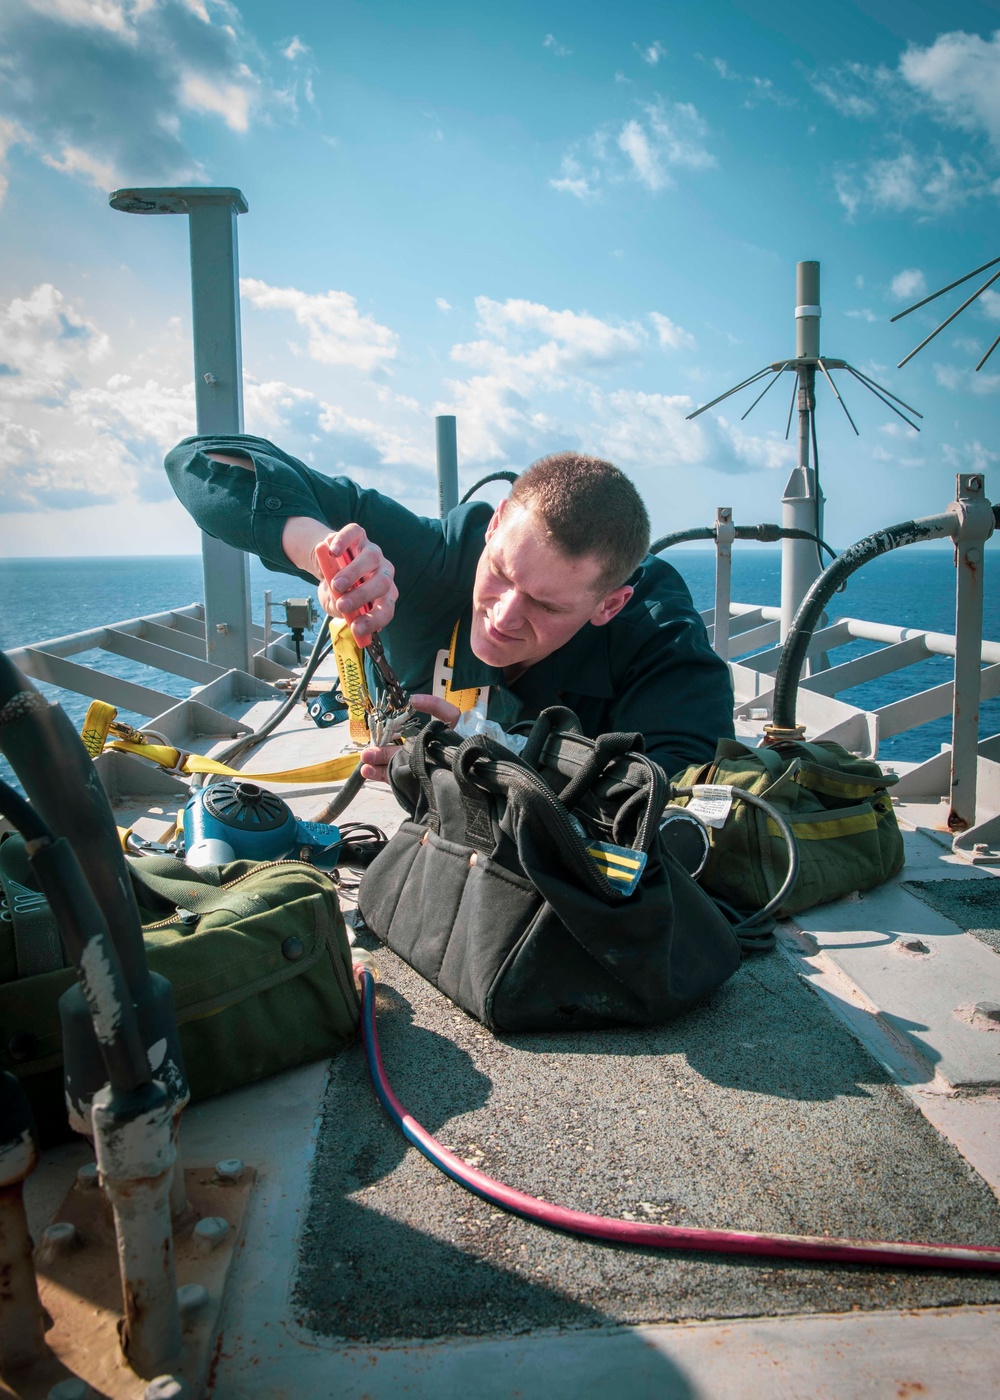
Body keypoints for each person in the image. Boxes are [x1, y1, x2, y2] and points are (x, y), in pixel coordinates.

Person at [164, 435, 734, 781]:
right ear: (494, 525)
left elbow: (679, 799)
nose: (504, 616)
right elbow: (202, 462)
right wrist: (333, 562)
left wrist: (492, 765)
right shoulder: (434, 557)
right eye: (503, 574)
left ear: (609, 605)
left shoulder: (659, 640)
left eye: (546, 605)